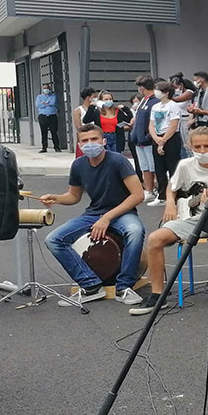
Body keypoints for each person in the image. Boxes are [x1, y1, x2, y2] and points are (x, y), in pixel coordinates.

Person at [130, 126, 208, 315]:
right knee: (154, 239)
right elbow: (172, 187)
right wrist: (170, 204)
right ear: (190, 146)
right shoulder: (185, 165)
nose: (202, 151)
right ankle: (157, 295)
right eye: (198, 146)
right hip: (193, 218)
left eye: (207, 146)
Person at [41, 122, 146, 305]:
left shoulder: (118, 161)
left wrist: (107, 218)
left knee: (135, 232)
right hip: (94, 213)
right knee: (53, 239)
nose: (90, 143)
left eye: (94, 139)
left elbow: (138, 195)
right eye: (85, 140)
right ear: (80, 145)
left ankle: (124, 287)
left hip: (122, 212)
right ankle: (90, 285)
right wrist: (55, 198)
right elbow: (74, 195)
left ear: (104, 141)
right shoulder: (78, 165)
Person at [149, 79, 184, 206]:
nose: (156, 92)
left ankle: (176, 194)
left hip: (171, 138)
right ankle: (162, 195)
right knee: (159, 168)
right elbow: (151, 125)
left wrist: (163, 141)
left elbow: (173, 125)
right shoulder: (155, 107)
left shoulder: (173, 106)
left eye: (158, 90)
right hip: (157, 138)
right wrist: (156, 138)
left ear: (166, 92)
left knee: (173, 167)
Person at [131, 76, 159, 200]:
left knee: (154, 167)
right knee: (145, 167)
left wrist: (148, 136)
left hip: (148, 140)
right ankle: (149, 190)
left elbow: (155, 121)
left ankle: (160, 189)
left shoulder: (155, 101)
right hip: (139, 140)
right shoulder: (143, 101)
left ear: (142, 88)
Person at [169, 74, 197, 157]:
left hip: (187, 120)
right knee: (184, 144)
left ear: (181, 85)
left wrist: (167, 96)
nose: (175, 89)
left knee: (188, 142)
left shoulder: (189, 92)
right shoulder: (179, 93)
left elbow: (178, 100)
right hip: (180, 120)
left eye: (175, 87)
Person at [36, 83, 61, 152]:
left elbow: (53, 103)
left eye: (47, 88)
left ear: (49, 89)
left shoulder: (53, 96)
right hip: (43, 116)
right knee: (44, 133)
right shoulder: (39, 97)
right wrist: (47, 103)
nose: (45, 89)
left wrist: (44, 103)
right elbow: (38, 105)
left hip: (52, 116)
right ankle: (44, 147)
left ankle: (57, 147)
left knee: (54, 132)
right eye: (44, 88)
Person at [72, 88, 95, 158]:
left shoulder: (96, 108)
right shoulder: (78, 110)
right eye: (94, 97)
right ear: (88, 98)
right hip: (84, 135)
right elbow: (78, 127)